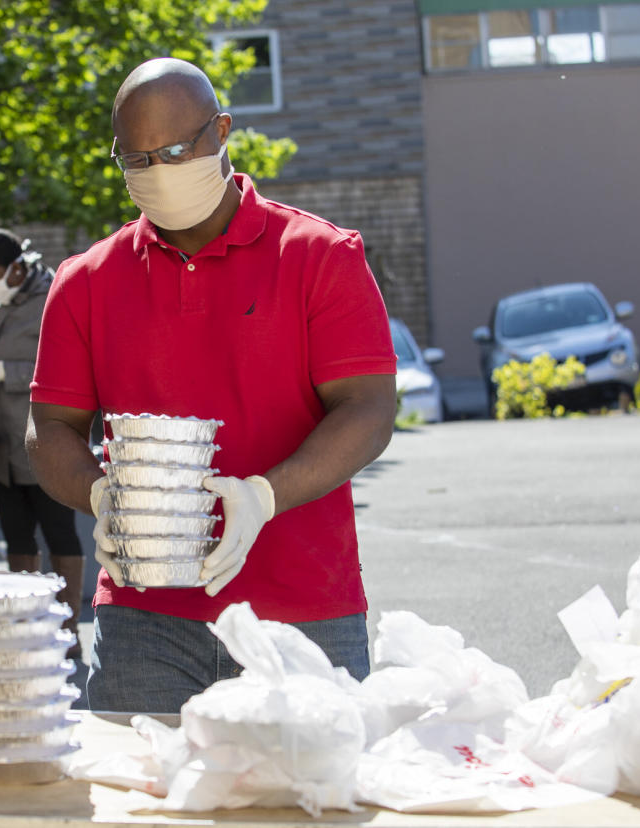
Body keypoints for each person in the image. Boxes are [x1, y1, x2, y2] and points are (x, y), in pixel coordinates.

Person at [26, 58, 398, 713]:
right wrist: (96, 494)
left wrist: (261, 497)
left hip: (302, 612)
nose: (156, 172)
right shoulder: (84, 281)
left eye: (173, 151)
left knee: (306, 807)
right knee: (140, 807)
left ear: (222, 130)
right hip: (144, 617)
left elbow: (368, 409)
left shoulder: (318, 255)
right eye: (135, 160)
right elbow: (50, 426)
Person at [0, 228, 86, 657]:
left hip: (45, 439)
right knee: (17, 538)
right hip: (2, 447)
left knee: (59, 534)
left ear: (16, 268)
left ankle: (67, 628)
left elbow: (64, 362)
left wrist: (7, 373)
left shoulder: (52, 297)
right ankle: (26, 625)